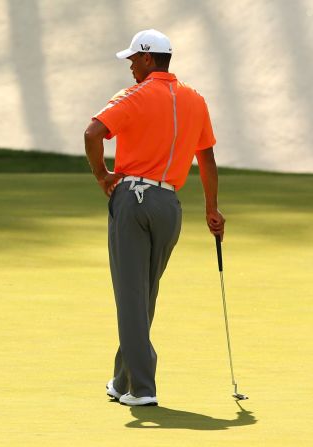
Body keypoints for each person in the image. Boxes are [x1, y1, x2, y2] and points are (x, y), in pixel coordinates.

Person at [84, 29, 225, 406]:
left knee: (131, 297)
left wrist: (101, 176)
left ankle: (142, 389)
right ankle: (122, 378)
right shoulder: (195, 99)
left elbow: (93, 131)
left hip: (132, 199)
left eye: (133, 58)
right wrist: (211, 208)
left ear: (148, 58)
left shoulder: (134, 95)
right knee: (143, 296)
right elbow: (206, 158)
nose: (130, 65)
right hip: (169, 206)